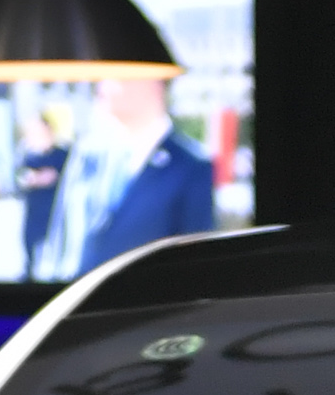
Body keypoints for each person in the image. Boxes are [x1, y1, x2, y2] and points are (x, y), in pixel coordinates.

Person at [39, 75, 221, 279]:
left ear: (153, 83)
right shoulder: (88, 156)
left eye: (117, 76)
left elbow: (196, 263)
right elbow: (60, 240)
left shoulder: (191, 166)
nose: (103, 85)